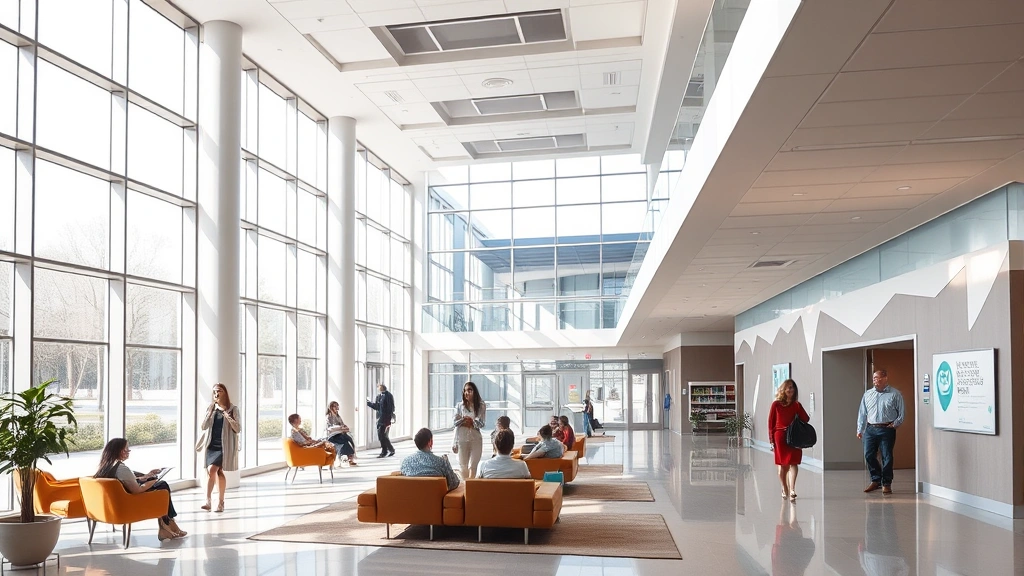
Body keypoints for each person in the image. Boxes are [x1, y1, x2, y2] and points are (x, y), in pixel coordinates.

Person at [95, 438, 185, 541]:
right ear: (121, 451)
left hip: (113, 503)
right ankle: (168, 524)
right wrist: (154, 480)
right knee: (162, 485)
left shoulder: (106, 467)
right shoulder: (121, 468)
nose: (129, 451)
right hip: (128, 504)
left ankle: (167, 526)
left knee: (159, 485)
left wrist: (147, 476)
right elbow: (136, 490)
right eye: (127, 449)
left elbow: (124, 481)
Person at [857, 369, 906, 495]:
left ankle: (886, 483)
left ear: (885, 378)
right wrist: (860, 429)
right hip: (870, 428)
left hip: (886, 429)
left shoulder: (895, 394)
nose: (875, 381)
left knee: (887, 456)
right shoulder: (868, 394)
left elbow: (901, 413)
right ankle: (876, 479)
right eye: (874, 378)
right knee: (868, 455)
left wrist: (895, 424)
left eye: (877, 378)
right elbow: (862, 413)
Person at [200, 383, 240, 513]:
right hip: (211, 445)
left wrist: (226, 414)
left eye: (219, 391)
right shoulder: (211, 408)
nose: (216, 394)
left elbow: (237, 428)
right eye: (214, 392)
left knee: (213, 470)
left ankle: (212, 500)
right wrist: (210, 413)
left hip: (224, 445)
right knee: (215, 472)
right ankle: (216, 502)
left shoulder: (233, 409)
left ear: (225, 393)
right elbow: (204, 426)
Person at [768, 379, 810, 501]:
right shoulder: (776, 404)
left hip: (795, 437)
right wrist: (771, 439)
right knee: (783, 465)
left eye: (793, 387)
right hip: (780, 436)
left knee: (794, 463)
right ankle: (784, 487)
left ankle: (792, 489)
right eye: (788, 387)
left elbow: (806, 418)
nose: (791, 390)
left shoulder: (796, 405)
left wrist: (798, 408)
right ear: (783, 389)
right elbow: (771, 422)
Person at [453, 381, 486, 479]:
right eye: (465, 391)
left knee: (473, 465)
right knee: (463, 465)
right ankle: (465, 486)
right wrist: (464, 420)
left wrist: (471, 422)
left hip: (475, 438)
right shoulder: (460, 406)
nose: (467, 393)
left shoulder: (481, 405)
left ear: (474, 392)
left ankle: (470, 486)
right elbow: (455, 422)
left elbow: (481, 423)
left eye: (469, 390)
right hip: (462, 438)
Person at [366, 383, 396, 458]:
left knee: (382, 435)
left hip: (385, 419)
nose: (378, 388)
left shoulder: (388, 395)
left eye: (379, 387)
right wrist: (368, 403)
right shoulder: (379, 396)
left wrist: (387, 418)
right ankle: (390, 449)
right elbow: (377, 406)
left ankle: (385, 451)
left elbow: (390, 408)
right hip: (380, 419)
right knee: (382, 435)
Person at [325, 401, 357, 466]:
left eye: (337, 406)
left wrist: (345, 427)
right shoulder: (329, 417)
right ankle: (347, 457)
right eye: (335, 406)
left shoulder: (338, 416)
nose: (337, 407)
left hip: (339, 433)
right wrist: (341, 428)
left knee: (349, 439)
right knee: (345, 441)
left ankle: (349, 457)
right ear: (331, 407)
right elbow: (330, 427)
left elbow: (342, 424)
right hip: (333, 435)